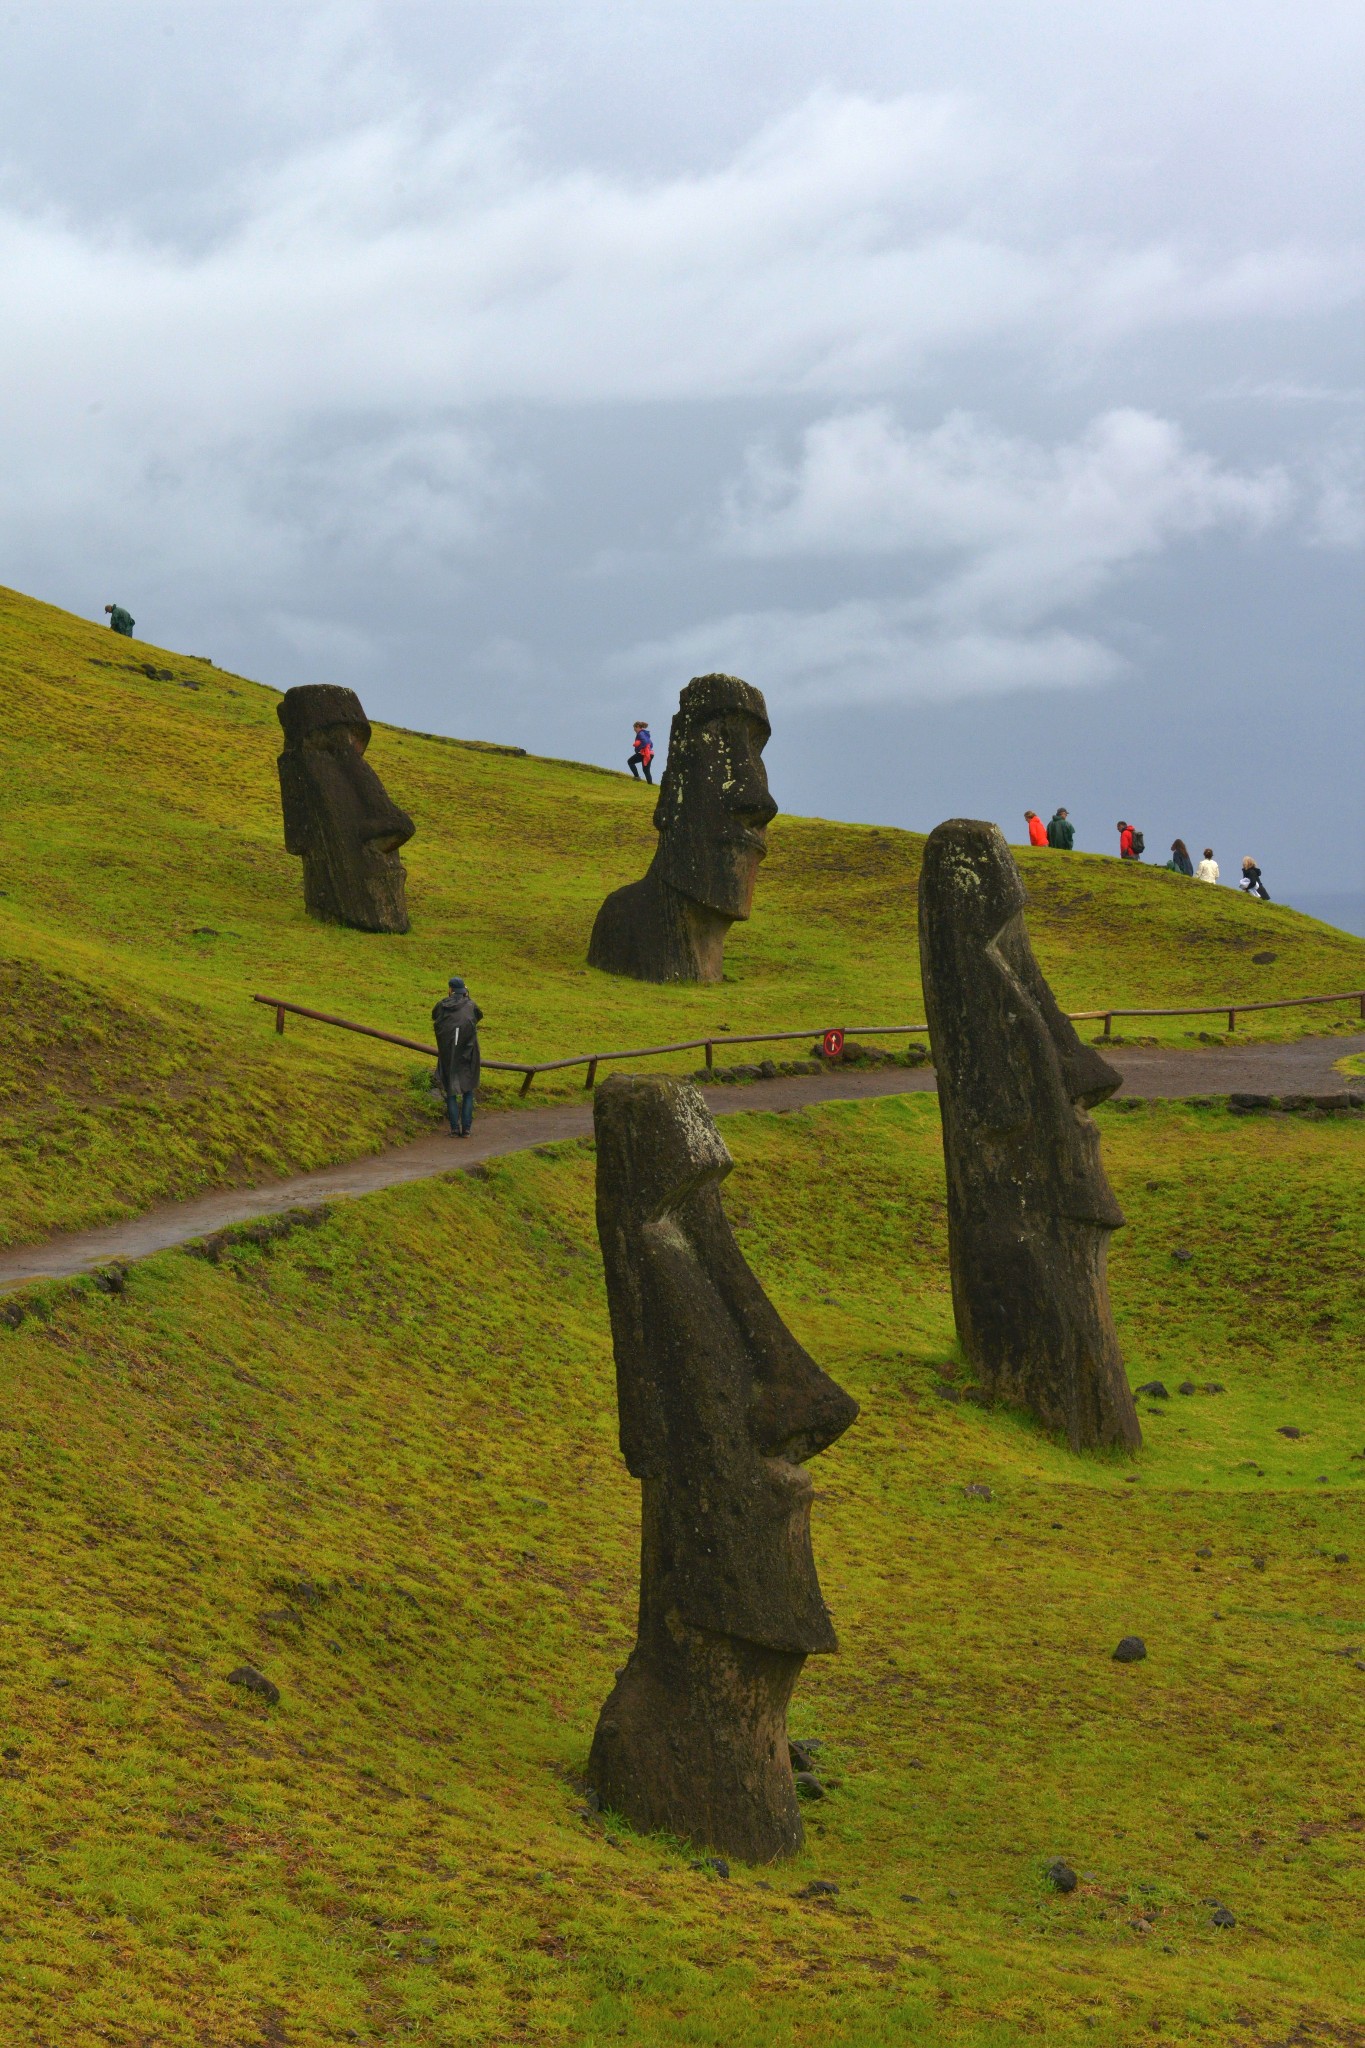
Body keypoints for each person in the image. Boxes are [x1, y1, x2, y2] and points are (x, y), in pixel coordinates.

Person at [432, 975, 483, 1138]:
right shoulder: (471, 1005)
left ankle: (454, 1128)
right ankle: (466, 1129)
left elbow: (434, 1016)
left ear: (450, 990)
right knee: (468, 1090)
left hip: (449, 1053)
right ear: (464, 990)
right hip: (468, 1053)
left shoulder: (441, 1005)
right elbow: (478, 1016)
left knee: (450, 1091)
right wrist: (468, 997)